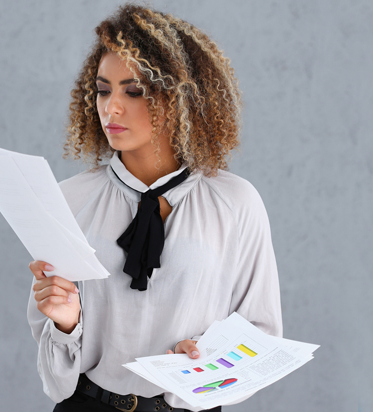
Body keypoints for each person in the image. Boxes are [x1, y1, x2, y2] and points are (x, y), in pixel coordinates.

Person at [27, 4, 282, 412]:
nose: (111, 107)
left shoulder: (236, 203)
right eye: (103, 89)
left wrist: (208, 357)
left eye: (134, 91)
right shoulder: (68, 200)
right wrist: (66, 322)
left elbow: (262, 335)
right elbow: (53, 376)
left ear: (180, 98)